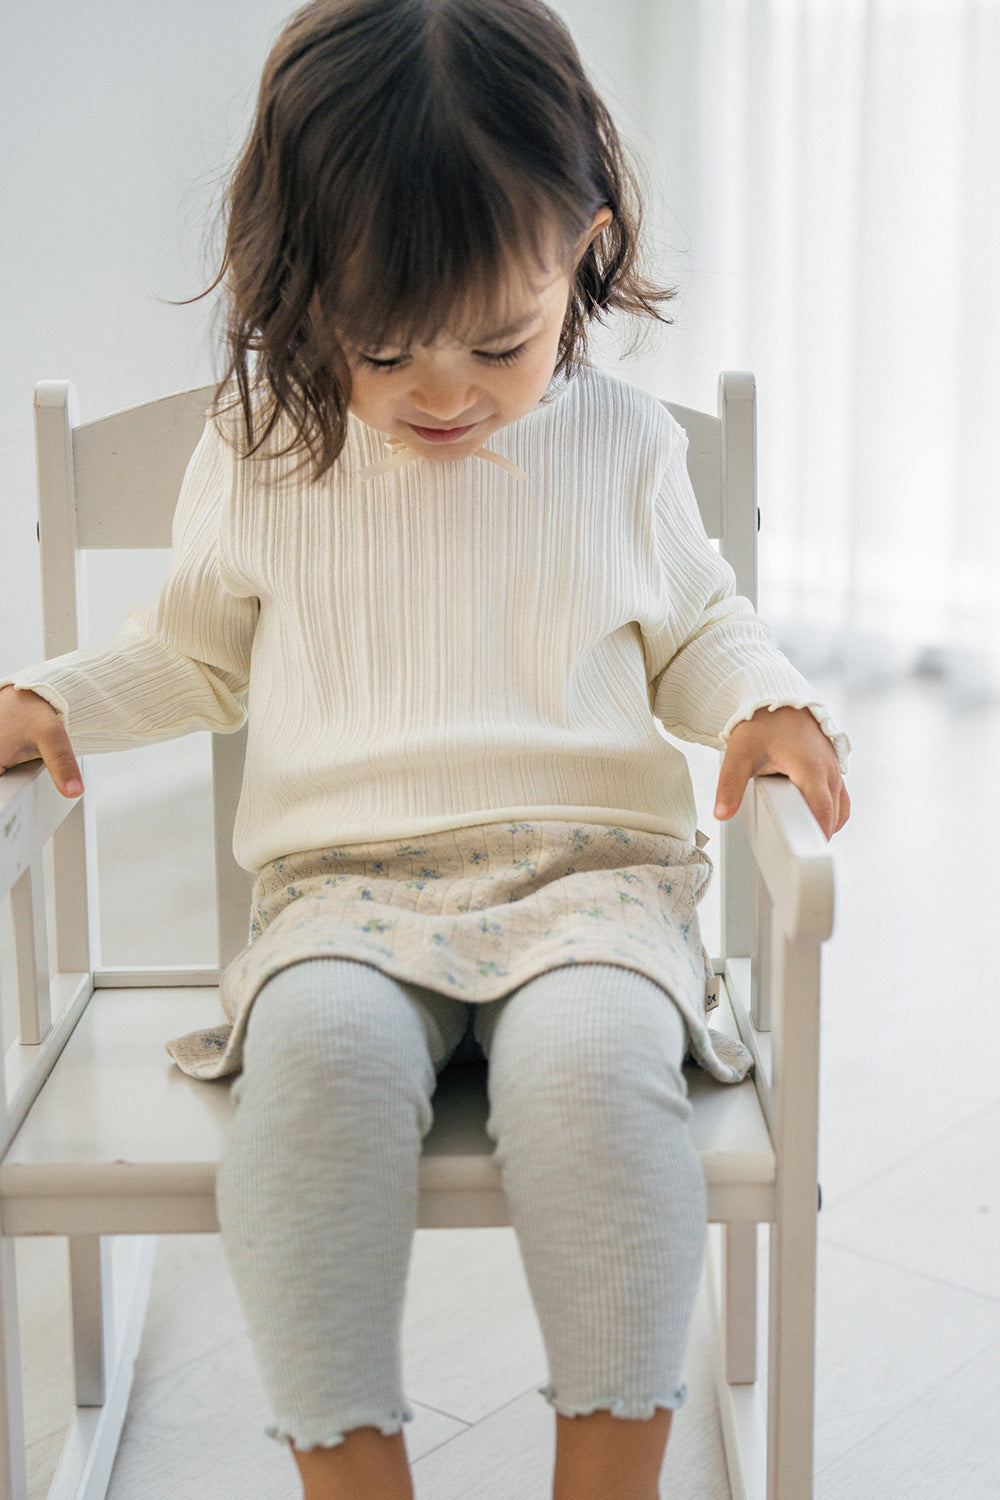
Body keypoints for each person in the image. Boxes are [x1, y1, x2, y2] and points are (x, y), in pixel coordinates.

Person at [0, 2, 850, 1496]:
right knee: (312, 1075)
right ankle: (354, 1469)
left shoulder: (624, 450)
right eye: (384, 349)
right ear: (298, 291)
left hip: (592, 881)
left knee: (594, 1077)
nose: (444, 391)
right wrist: (57, 701)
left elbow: (695, 629)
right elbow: (189, 652)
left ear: (581, 245)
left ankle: (609, 1470)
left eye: (499, 340)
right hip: (342, 894)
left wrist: (765, 703)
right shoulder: (265, 452)